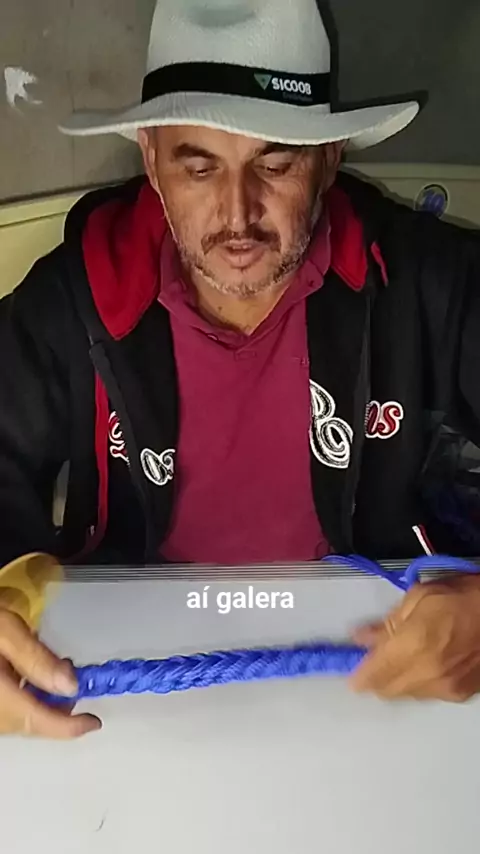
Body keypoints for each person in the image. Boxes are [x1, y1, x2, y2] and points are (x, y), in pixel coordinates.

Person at [1, 0, 480, 738]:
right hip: (121, 667)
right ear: (151, 160)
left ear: (329, 158)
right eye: (199, 167)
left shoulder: (418, 277)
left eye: (275, 164)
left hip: (382, 659)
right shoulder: (80, 291)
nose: (238, 215)